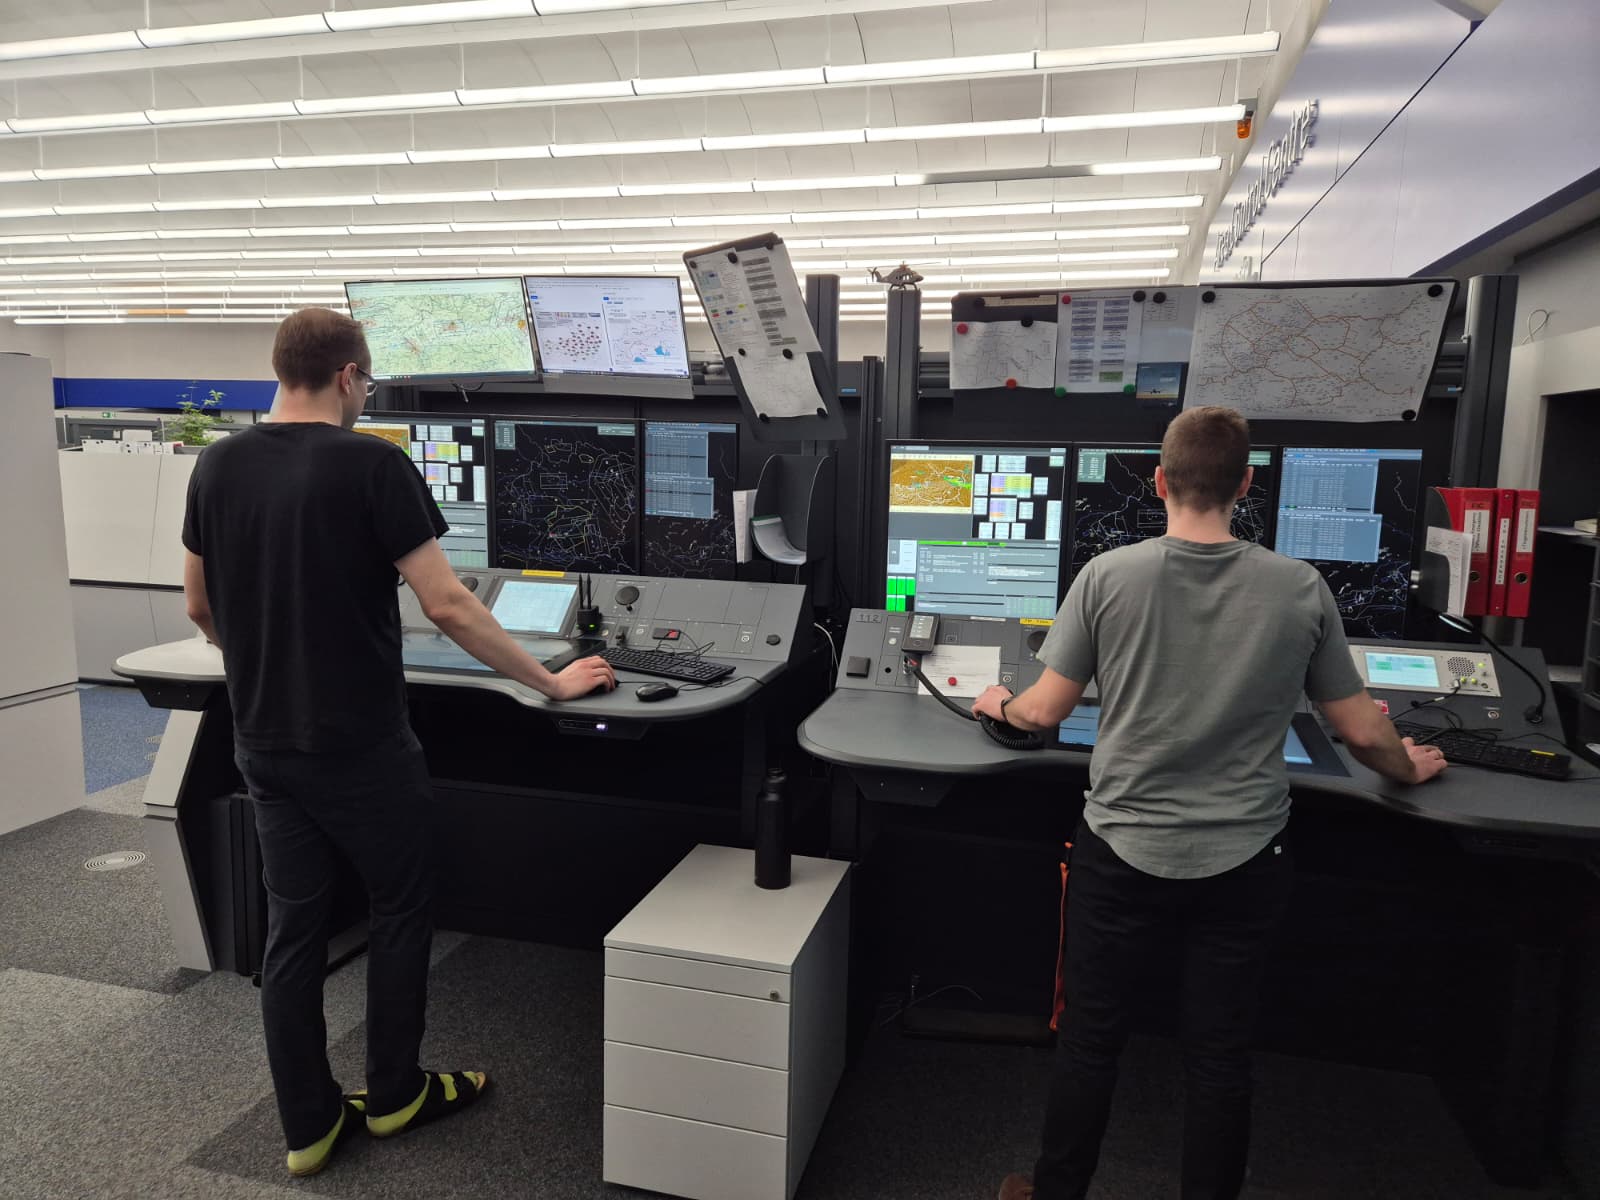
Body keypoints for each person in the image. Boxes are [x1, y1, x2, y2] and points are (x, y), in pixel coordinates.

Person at [181, 308, 616, 1178]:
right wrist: (552, 681)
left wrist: (266, 662)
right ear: (347, 376)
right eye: (368, 382)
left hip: (263, 740)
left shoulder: (218, 462)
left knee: (294, 929)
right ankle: (394, 1094)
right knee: (399, 908)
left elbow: (198, 605)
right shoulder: (372, 463)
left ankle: (308, 1125)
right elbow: (447, 604)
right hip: (361, 747)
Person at [974, 406, 1446, 1200]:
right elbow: (1363, 733)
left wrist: (997, 704)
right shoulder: (1300, 588)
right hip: (1246, 860)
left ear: (1159, 481)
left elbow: (1044, 712)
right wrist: (1412, 768)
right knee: (1220, 1057)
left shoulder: (1107, 576)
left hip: (1120, 851)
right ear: (1247, 485)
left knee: (1090, 1042)